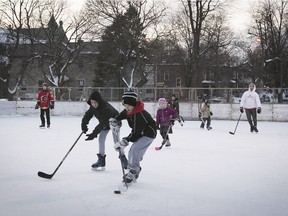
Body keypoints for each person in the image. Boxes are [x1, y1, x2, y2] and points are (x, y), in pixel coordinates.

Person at [112, 90, 157, 184]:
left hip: (149, 134)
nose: (126, 107)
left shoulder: (139, 114)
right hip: (141, 133)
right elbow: (122, 115)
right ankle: (133, 167)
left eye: (129, 105)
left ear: (133, 104)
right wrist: (115, 119)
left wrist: (125, 141)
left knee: (135, 150)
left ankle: (134, 170)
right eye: (125, 105)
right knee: (132, 151)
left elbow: (136, 133)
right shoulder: (128, 111)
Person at [81, 91, 128, 171]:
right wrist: (84, 125)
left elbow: (103, 123)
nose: (94, 104)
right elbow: (87, 115)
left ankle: (123, 159)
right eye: (92, 102)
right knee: (101, 139)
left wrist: (94, 133)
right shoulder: (92, 107)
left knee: (116, 142)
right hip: (105, 123)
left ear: (99, 101)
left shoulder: (106, 108)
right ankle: (101, 160)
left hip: (114, 122)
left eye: (95, 102)